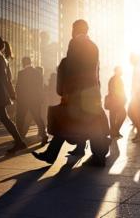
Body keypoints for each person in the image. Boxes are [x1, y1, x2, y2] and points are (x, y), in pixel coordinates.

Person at [32, 19, 110, 166]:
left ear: (76, 29)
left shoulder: (75, 43)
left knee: (66, 122)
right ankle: (98, 156)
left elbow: (71, 70)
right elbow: (95, 72)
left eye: (73, 28)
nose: (71, 31)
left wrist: (66, 92)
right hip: (91, 91)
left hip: (77, 92)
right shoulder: (94, 46)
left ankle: (51, 154)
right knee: (89, 123)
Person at [15, 57, 48, 145]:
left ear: (23, 63)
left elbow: (18, 87)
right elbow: (40, 87)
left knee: (20, 118)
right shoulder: (37, 73)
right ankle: (44, 135)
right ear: (30, 62)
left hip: (24, 100)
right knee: (38, 117)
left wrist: (18, 98)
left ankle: (19, 137)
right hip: (35, 99)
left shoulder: (21, 73)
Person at [106, 66, 127, 139]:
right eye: (120, 70)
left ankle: (114, 132)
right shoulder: (114, 79)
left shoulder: (117, 79)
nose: (122, 72)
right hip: (115, 102)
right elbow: (113, 91)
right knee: (117, 116)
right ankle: (114, 132)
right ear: (117, 71)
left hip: (117, 101)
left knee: (114, 116)